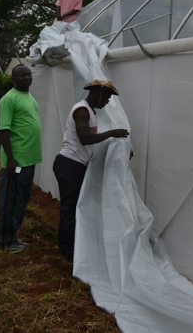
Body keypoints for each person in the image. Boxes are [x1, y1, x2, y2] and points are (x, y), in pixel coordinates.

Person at [52, 79, 129, 262]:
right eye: (107, 98)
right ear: (98, 95)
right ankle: (67, 252)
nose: (107, 102)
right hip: (69, 164)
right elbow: (86, 138)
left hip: (75, 165)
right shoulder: (82, 110)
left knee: (73, 207)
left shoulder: (90, 111)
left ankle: (70, 248)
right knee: (69, 209)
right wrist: (112, 133)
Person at [0, 65, 42, 252]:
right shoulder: (8, 99)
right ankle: (4, 241)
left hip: (29, 158)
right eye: (21, 75)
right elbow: (3, 130)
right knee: (10, 200)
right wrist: (10, 159)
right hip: (17, 160)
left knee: (21, 200)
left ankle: (13, 238)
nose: (26, 77)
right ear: (13, 78)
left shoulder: (29, 97)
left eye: (28, 74)